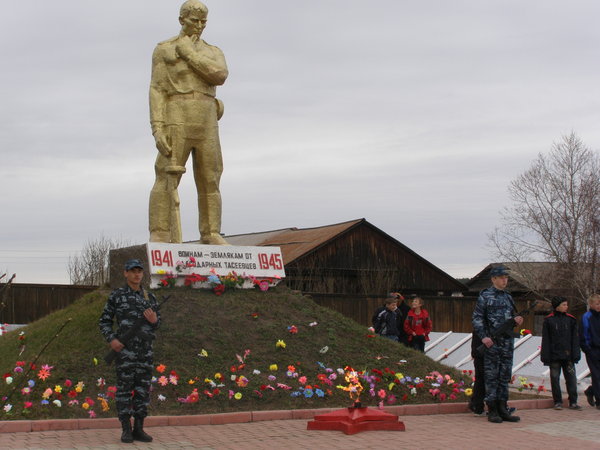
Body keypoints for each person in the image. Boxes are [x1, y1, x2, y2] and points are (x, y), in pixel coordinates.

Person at [149, 0, 229, 245]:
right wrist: (157, 126)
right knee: (166, 175)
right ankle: (161, 231)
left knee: (211, 177)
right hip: (177, 113)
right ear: (181, 19)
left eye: (204, 21)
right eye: (195, 20)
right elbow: (156, 89)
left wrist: (189, 54)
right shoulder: (164, 49)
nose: (200, 26)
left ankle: (211, 232)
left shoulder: (212, 51)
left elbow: (219, 75)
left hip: (206, 116)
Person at [99, 259, 160, 443]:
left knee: (142, 391)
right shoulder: (117, 296)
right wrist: (112, 340)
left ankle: (139, 428)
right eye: (132, 271)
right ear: (126, 273)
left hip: (145, 353)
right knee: (124, 390)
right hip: (125, 353)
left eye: (139, 271)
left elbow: (158, 325)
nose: (137, 274)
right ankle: (126, 429)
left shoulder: (150, 298)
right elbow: (104, 321)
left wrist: (154, 321)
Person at [472, 265, 523, 423]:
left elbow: (509, 318)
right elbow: (477, 319)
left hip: (507, 343)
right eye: (501, 277)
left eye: (506, 278)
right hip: (492, 343)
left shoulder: (508, 297)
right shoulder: (485, 296)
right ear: (493, 279)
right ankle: (492, 408)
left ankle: (503, 407)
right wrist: (484, 337)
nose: (504, 280)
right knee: (492, 376)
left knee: (504, 375)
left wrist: (516, 321)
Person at [540, 296, 581, 410]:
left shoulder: (571, 320)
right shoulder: (549, 320)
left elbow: (575, 339)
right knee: (555, 378)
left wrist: (576, 354)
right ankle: (557, 401)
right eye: (564, 305)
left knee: (571, 378)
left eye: (567, 305)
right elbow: (546, 340)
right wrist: (545, 356)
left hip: (568, 355)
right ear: (557, 306)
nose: (566, 307)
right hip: (554, 355)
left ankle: (573, 401)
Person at [580, 293, 600, 409]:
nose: (599, 306)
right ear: (591, 304)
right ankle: (599, 400)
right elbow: (584, 334)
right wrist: (588, 349)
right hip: (593, 350)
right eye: (597, 304)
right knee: (596, 375)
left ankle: (591, 391)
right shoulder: (587, 317)